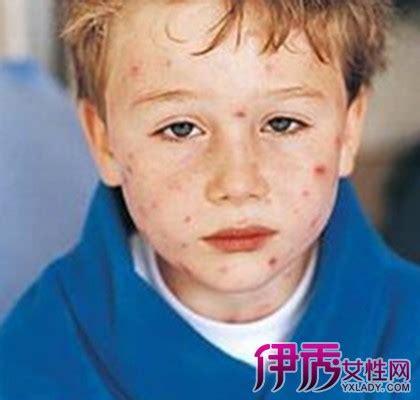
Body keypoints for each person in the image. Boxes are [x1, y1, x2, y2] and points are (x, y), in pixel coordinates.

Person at [0, 1, 419, 399]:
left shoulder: (405, 345)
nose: (237, 184)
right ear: (103, 141)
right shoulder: (36, 360)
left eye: (282, 123)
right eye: (180, 129)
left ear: (348, 132)